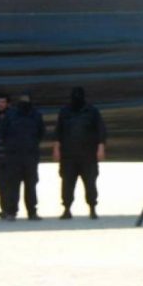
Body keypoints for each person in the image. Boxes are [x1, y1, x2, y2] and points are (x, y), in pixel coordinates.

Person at [54, 87, 106, 220]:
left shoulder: (92, 111)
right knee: (67, 183)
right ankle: (67, 209)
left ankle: (92, 208)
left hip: (88, 155)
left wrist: (100, 148)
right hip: (68, 156)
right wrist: (56, 149)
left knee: (90, 183)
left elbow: (101, 130)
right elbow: (58, 132)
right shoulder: (64, 111)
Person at [2, 92, 45, 221]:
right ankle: (11, 212)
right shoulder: (10, 115)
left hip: (30, 156)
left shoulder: (36, 115)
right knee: (13, 185)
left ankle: (32, 212)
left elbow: (41, 133)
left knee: (31, 185)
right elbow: (3, 132)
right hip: (14, 156)